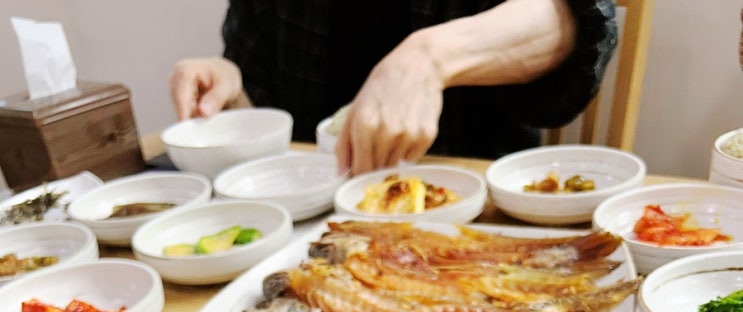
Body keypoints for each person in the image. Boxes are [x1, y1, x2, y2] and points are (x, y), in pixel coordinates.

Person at [169, 0, 617, 174]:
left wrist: (430, 58)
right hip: (313, 221)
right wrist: (229, 88)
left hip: (472, 215)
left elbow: (579, 16)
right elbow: (263, 110)